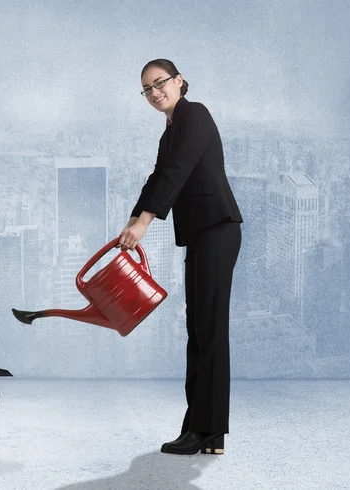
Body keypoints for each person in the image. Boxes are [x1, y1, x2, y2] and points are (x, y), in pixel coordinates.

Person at [117, 59, 243, 456]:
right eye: (147, 89)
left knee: (210, 329)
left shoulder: (196, 114)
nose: (155, 92)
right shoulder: (169, 132)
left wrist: (146, 224)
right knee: (199, 329)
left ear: (180, 80)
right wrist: (132, 222)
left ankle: (203, 429)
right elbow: (158, 176)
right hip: (200, 234)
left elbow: (178, 170)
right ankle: (207, 431)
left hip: (218, 229)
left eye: (160, 83)